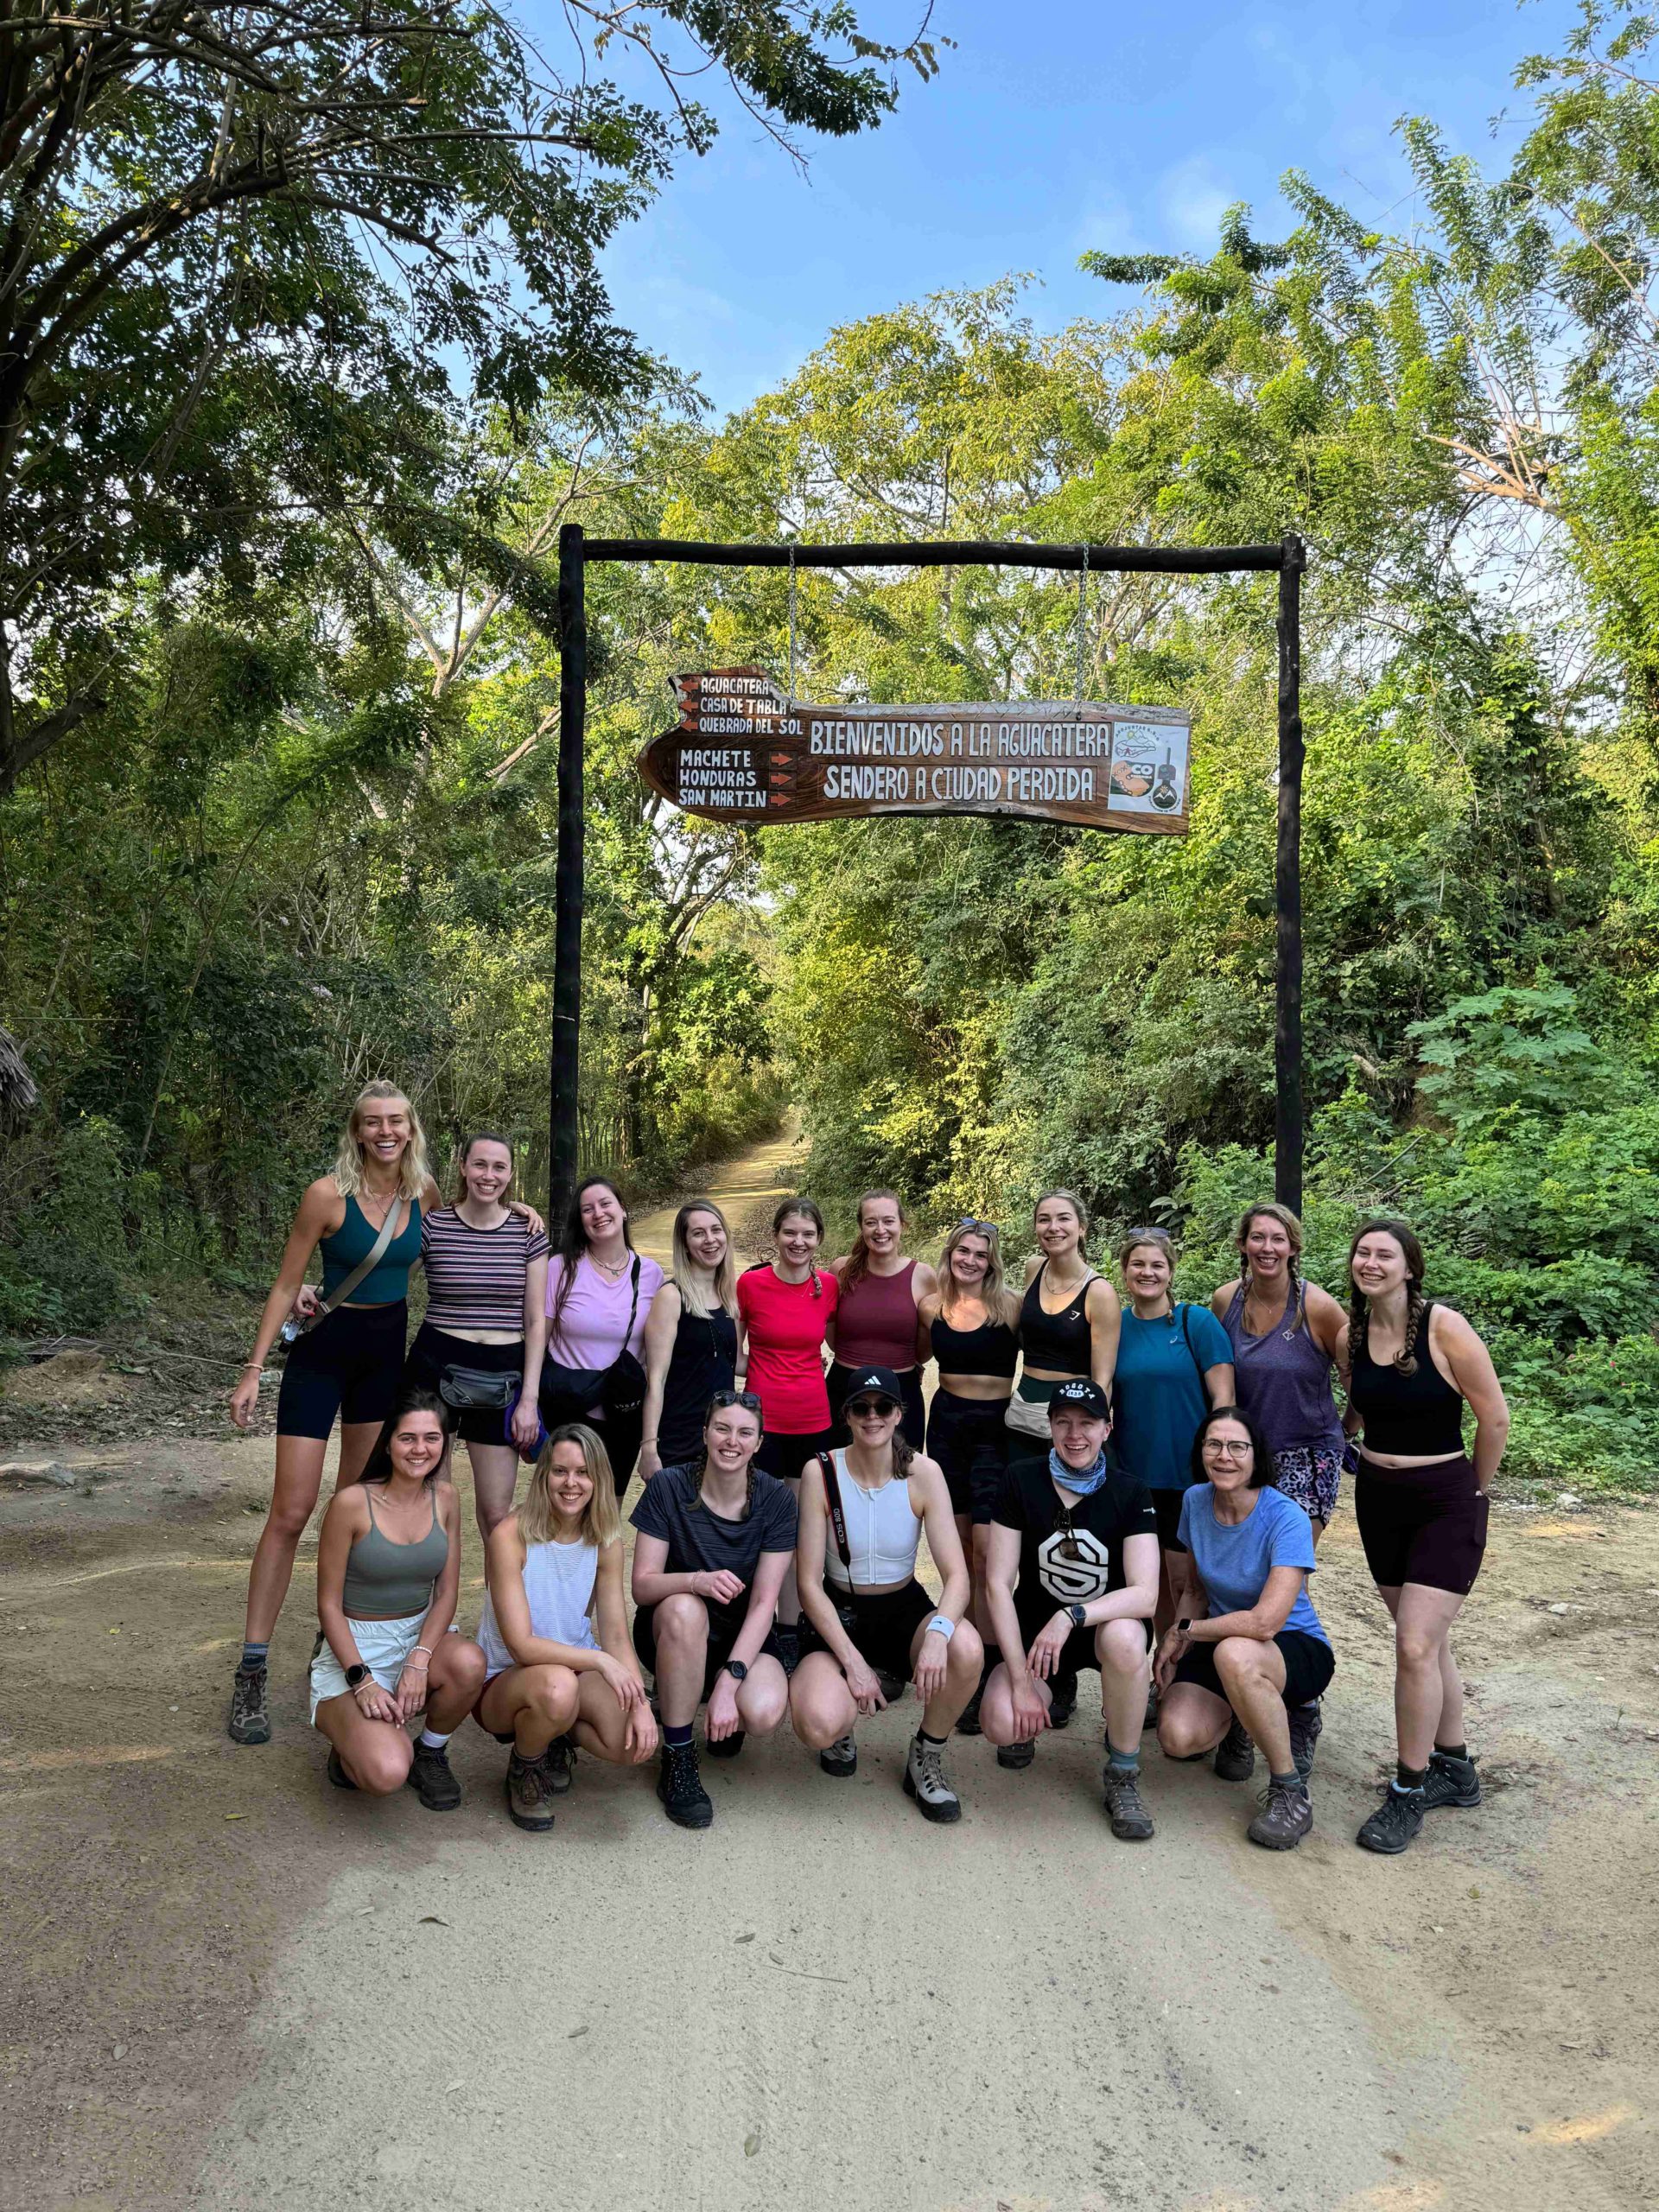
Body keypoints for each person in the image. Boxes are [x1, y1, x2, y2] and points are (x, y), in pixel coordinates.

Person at [227, 1081, 436, 1747]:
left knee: (355, 1511)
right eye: (372, 1122)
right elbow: (289, 1283)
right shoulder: (326, 1195)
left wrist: (524, 1213)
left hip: (384, 1361)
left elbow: (471, 1233)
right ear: (357, 1130)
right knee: (291, 1511)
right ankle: (252, 1669)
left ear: (410, 1128)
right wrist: (254, 1369)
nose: (385, 1132)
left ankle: (335, 1652)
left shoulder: (423, 1194)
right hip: (322, 1357)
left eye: (395, 1121)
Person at [1340, 1219, 1510, 1856]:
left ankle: (1409, 1789)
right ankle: (1456, 1766)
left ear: (1411, 1267)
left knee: (1413, 1645)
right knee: (1427, 1643)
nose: (1372, 1263)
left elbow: (1493, 1416)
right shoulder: (1352, 1334)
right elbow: (1358, 1407)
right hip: (1379, 1500)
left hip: (1445, 1499)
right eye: (1363, 1252)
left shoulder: (1444, 1326)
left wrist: (1474, 1490)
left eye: (1385, 1254)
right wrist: (1341, 1432)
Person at [790, 1364, 984, 1822]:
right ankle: (842, 1724)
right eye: (861, 1407)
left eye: (883, 1407)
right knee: (817, 1723)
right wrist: (854, 1664)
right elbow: (806, 1582)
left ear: (900, 1414)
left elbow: (957, 1576)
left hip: (902, 1605)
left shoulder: (925, 1473)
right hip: (840, 1609)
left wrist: (938, 1633)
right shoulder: (821, 1471)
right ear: (847, 1415)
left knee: (967, 1648)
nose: (871, 1416)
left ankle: (926, 1754)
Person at [980, 1378, 1160, 1840]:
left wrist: (1072, 1615)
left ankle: (1122, 1770)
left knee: (1124, 1640)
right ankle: (1047, 1687)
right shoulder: (1021, 1478)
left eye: (1087, 1423)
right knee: (1002, 1724)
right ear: (1050, 1427)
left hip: (1099, 1627)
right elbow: (998, 1584)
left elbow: (1146, 1594)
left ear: (1108, 1428)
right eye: (1063, 1422)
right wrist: (1019, 1680)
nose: (1074, 1434)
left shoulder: (1132, 1491)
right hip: (1037, 1635)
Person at [1154, 1407, 1334, 1851]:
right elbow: (1194, 1587)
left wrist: (1187, 1631)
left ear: (1257, 1456)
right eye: (1214, 1445)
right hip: (1220, 1639)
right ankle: (1245, 1713)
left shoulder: (1285, 1515)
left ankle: (1289, 1791)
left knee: (1235, 1653)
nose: (1224, 1456)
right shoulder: (1195, 1500)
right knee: (1177, 1738)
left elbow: (1266, 1621)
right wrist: (1174, 1643)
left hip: (1292, 1647)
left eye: (1237, 1446)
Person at [308, 1388, 487, 1809]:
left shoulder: (446, 1498)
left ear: (444, 1443)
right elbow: (328, 1605)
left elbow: (446, 1592)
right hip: (355, 1642)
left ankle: (431, 1750)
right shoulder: (351, 1504)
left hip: (416, 1634)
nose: (420, 1449)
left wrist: (419, 1658)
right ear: (388, 1443)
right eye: (408, 1438)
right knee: (387, 1772)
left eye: (432, 1437)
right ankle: (352, 1740)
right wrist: (362, 1679)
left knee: (469, 1662)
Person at [473, 1423, 658, 1831]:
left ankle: (555, 1735)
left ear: (599, 1478)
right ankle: (526, 1766)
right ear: (543, 1476)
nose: (571, 1483)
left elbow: (614, 1633)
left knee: (632, 1740)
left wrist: (641, 1703)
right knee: (558, 1688)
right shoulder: (511, 1535)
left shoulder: (605, 1538)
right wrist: (599, 1662)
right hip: (506, 1681)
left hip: (572, 1669)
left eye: (583, 1472)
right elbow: (521, 1646)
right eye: (560, 1471)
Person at [629, 1391, 796, 1828]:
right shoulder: (670, 1485)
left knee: (762, 1711)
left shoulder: (777, 1500)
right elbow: (642, 1587)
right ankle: (679, 1757)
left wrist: (730, 1681)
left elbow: (765, 1602)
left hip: (743, 1635)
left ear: (758, 1444)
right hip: (674, 1630)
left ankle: (719, 1702)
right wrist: (696, 1580)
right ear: (705, 1433)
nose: (731, 1441)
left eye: (745, 1433)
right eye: (722, 1428)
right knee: (686, 1609)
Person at [1007, 1189, 1122, 1728]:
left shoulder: (1099, 1292)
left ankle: (1069, 1666)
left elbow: (1102, 1377)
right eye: (1044, 1220)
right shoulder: (1032, 1270)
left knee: (1071, 1538)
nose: (1053, 1228)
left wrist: (1087, 1437)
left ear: (1081, 1227)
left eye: (1063, 1220)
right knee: (1026, 1537)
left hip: (1069, 1427)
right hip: (1023, 1417)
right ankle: (1026, 1660)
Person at [403, 1132, 548, 1543]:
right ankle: (432, 1605)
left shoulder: (528, 1231)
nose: (489, 1175)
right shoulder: (434, 1225)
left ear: (511, 1174)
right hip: (435, 1364)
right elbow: (388, 1277)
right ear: (463, 1167)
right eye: (480, 1164)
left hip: (502, 1371)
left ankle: (498, 1610)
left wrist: (530, 1400)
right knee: (433, 1500)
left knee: (496, 1515)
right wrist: (321, 1292)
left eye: (499, 1166)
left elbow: (536, 1321)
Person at [1112, 1228, 1235, 1681]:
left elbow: (1225, 1402)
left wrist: (1223, 1468)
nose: (1147, 1273)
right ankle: (1165, 1675)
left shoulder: (1195, 1323)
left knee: (1189, 1584)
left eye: (1157, 1265)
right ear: (1124, 1271)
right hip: (1134, 1477)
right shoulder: (1114, 1325)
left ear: (1171, 1270)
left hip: (1190, 1479)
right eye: (1138, 1264)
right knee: (1154, 1588)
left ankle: (1194, 1676)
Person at [917, 1218, 1020, 1732]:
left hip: (998, 1430)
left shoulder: (1011, 1307)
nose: (971, 1260)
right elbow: (911, 1358)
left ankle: (996, 1658)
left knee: (988, 1550)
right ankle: (969, 1668)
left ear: (992, 1260)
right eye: (963, 1251)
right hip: (949, 1424)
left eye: (981, 1253)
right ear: (950, 1253)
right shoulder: (930, 1306)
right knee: (956, 1548)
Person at [734, 1196, 838, 1661]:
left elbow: (835, 1340)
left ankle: (790, 1627)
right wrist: (762, 1366)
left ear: (818, 1240)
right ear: (775, 1236)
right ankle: (748, 1622)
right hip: (762, 1424)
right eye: (790, 1233)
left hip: (813, 1421)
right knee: (756, 1524)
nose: (799, 1242)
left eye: (808, 1234)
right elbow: (734, 1352)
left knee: (799, 1530)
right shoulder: (751, 1285)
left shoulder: (829, 1286)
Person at [1211, 1202, 1347, 1538]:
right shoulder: (1226, 1301)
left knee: (1287, 1567)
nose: (1267, 1248)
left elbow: (1359, 1374)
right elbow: (1212, 1374)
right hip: (1242, 1452)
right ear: (1243, 1244)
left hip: (1308, 1452)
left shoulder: (1319, 1307)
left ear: (1293, 1247)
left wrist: (1351, 1429)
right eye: (1257, 1238)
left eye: (1278, 1239)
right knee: (1245, 1563)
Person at [539, 1176, 663, 1500]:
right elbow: (539, 1339)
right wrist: (527, 1403)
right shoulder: (559, 1268)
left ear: (623, 1210)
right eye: (587, 1209)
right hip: (567, 1409)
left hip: (622, 1412)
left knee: (607, 1514)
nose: (598, 1214)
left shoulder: (651, 1274)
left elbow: (656, 1355)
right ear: (580, 1221)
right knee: (564, 1508)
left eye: (605, 1204)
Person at [825, 1190, 937, 1447]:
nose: (880, 1229)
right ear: (861, 1227)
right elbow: (832, 1336)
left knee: (900, 1475)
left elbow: (924, 1348)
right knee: (838, 1476)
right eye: (871, 1222)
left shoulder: (923, 1276)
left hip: (900, 1391)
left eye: (888, 1221)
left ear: (902, 1225)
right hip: (844, 1388)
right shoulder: (840, 1270)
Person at [638, 1202, 739, 1482]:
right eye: (698, 1233)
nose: (710, 1240)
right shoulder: (671, 1296)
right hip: (679, 1436)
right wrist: (649, 1446)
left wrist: (799, 1360)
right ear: (684, 1244)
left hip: (721, 1436)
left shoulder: (728, 1296)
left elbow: (736, 1362)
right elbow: (655, 1378)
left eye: (716, 1230)